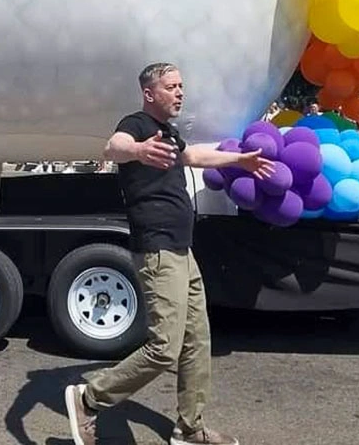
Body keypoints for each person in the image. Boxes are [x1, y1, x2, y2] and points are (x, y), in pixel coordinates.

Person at [64, 63, 274, 445]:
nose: (180, 93)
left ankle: (190, 428)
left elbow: (192, 157)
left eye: (181, 86)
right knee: (164, 349)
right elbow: (114, 147)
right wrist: (139, 149)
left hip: (182, 251)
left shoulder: (170, 134)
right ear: (150, 93)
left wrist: (239, 160)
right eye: (172, 87)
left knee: (198, 341)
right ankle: (89, 397)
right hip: (158, 249)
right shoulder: (138, 125)